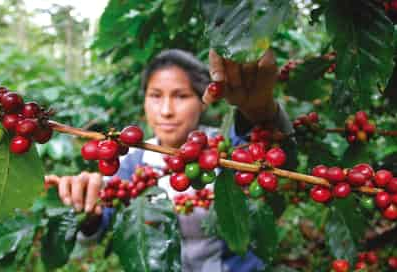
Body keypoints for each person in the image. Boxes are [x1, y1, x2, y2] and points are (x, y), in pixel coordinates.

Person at [45, 48, 294, 271]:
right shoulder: (131, 161)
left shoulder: (224, 150)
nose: (165, 110)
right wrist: (87, 208)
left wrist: (261, 111)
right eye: (155, 95)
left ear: (203, 101)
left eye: (181, 96)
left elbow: (276, 158)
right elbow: (97, 229)